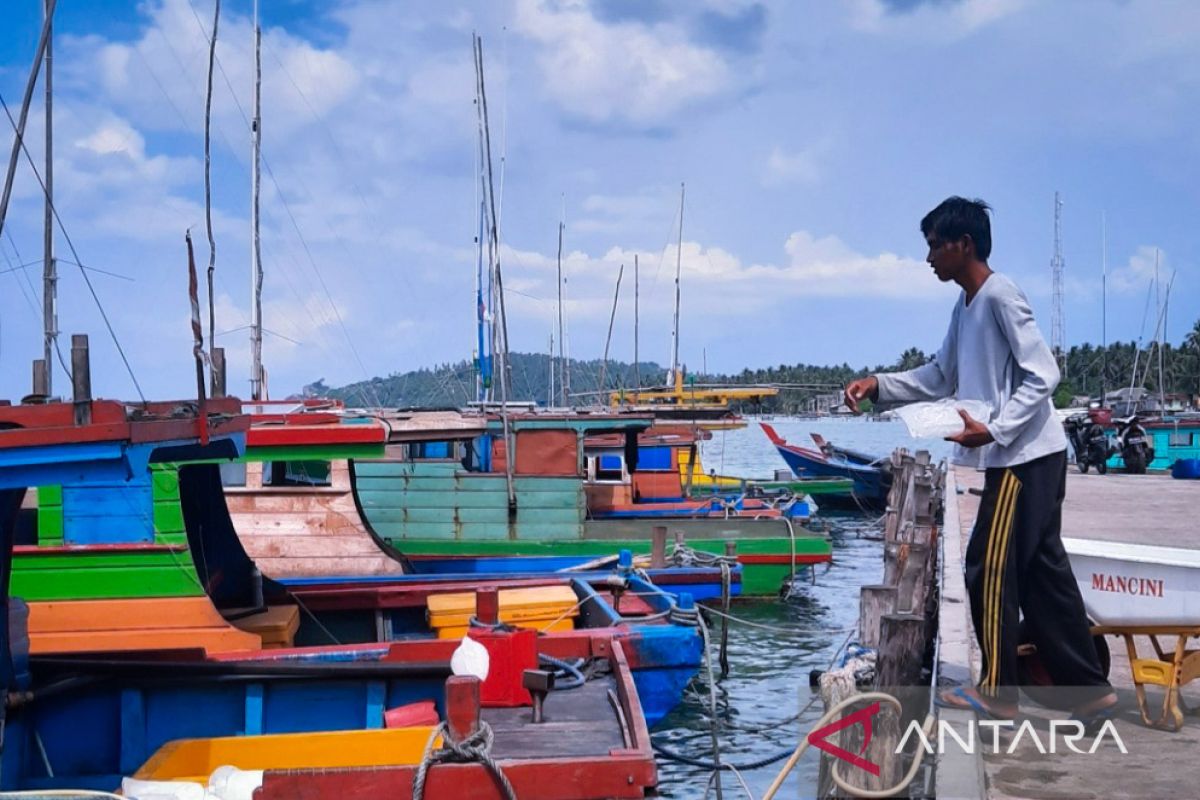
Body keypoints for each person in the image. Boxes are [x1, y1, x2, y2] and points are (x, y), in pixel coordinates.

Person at [844, 196, 1116, 723]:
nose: (928, 259)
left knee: (985, 567)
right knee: (1041, 574)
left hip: (1025, 457)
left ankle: (997, 694)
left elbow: (1045, 374)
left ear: (963, 244)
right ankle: (1086, 688)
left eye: (934, 246)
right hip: (1021, 458)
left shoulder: (999, 295)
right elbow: (939, 376)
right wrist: (879, 385)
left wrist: (994, 428)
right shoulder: (965, 306)